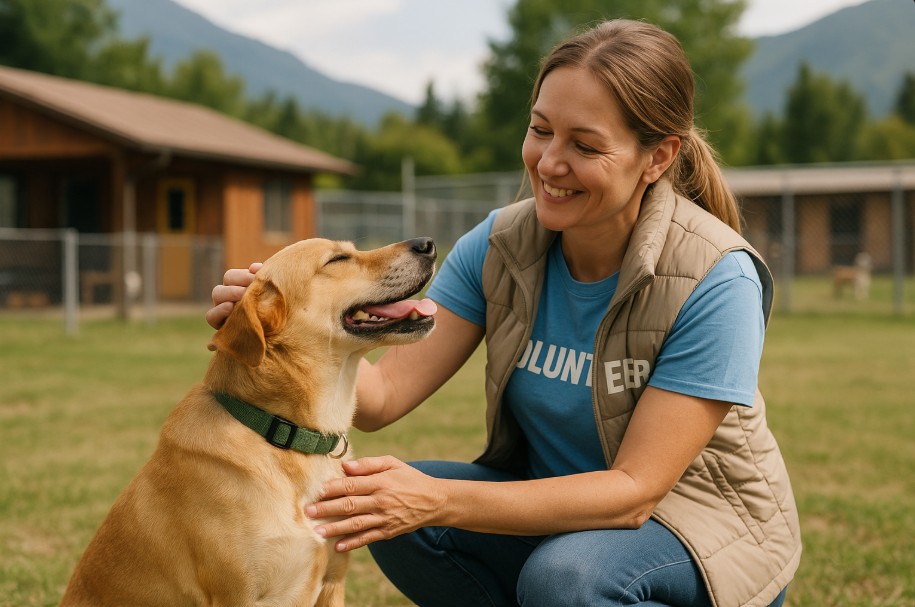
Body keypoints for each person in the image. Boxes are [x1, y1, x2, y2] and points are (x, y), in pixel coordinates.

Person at [207, 19, 800, 607]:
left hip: (697, 530)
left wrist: (441, 499)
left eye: (585, 146)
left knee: (563, 579)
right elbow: (382, 396)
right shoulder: (500, 245)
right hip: (559, 515)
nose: (548, 163)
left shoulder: (717, 277)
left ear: (657, 157)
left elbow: (632, 492)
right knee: (377, 504)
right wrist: (288, 320)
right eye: (541, 130)